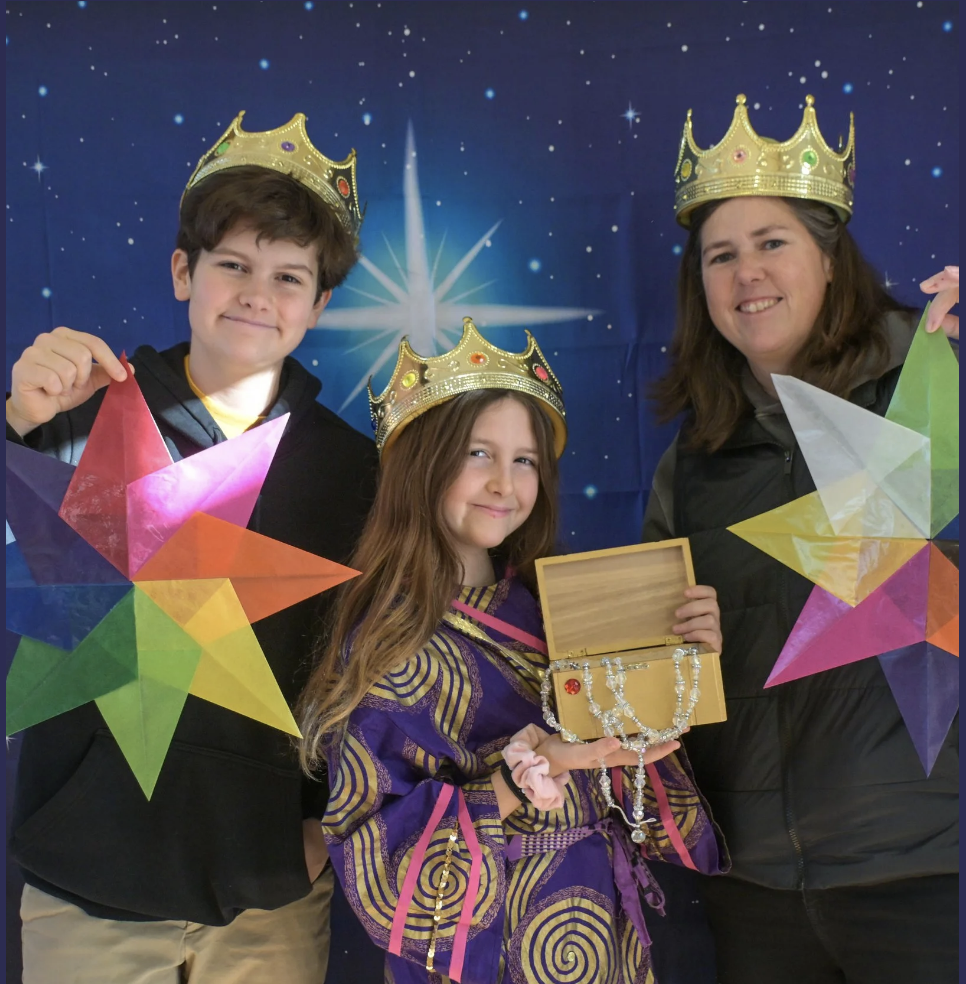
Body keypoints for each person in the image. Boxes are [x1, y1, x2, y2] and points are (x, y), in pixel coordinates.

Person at [5, 111, 378, 983]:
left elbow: (376, 665)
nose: (257, 294)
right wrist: (17, 423)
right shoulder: (77, 413)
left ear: (320, 304)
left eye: (289, 277)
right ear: (184, 271)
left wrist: (322, 828)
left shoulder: (354, 471)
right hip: (85, 888)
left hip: (269, 899)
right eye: (233, 264)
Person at [298, 319, 729, 984]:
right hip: (482, 947)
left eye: (525, 460)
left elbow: (635, 774)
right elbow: (375, 857)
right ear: (420, 464)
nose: (505, 483)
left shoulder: (558, 612)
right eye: (478, 454)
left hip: (598, 929)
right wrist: (523, 775)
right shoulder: (387, 643)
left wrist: (684, 666)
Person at [643, 94, 959, 984]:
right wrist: (673, 653)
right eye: (721, 255)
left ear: (828, 255)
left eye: (771, 242)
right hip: (756, 892)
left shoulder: (939, 390)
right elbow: (653, 682)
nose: (747, 273)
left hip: (926, 875)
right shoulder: (691, 465)